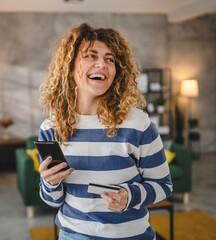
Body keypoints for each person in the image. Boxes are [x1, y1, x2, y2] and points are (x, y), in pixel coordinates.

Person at [38, 23, 172, 240]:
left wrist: (129, 196)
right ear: (70, 67)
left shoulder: (138, 124)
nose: (102, 64)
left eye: (110, 59)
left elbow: (163, 185)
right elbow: (52, 200)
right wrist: (49, 182)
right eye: (91, 56)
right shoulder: (51, 128)